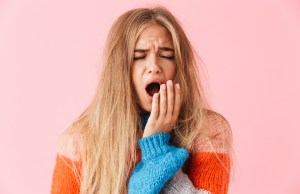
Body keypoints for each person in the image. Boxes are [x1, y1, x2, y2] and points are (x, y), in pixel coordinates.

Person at [51, 6, 233, 194]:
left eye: (166, 55)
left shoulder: (208, 131)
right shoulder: (78, 141)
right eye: (139, 56)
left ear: (179, 66)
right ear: (119, 69)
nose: (154, 66)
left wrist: (157, 150)